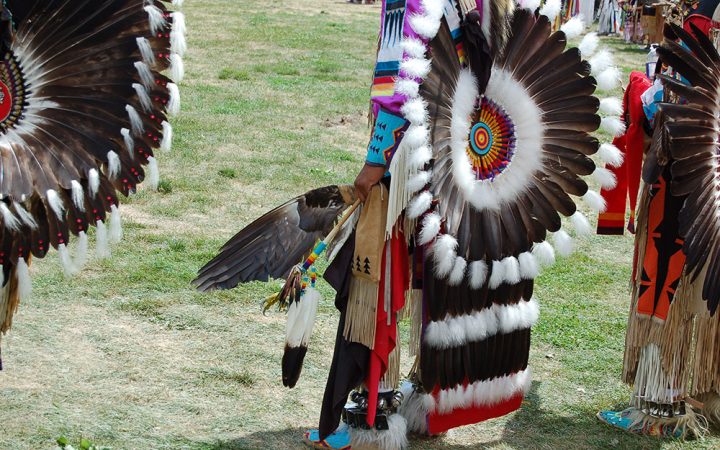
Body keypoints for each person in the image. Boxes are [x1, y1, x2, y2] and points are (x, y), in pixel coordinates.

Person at [597, 12, 720, 438]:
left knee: (667, 287)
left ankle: (661, 408)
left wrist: (637, 85)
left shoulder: (695, 42)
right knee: (700, 293)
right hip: (710, 199)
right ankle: (701, 395)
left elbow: (657, 112)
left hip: (679, 195)